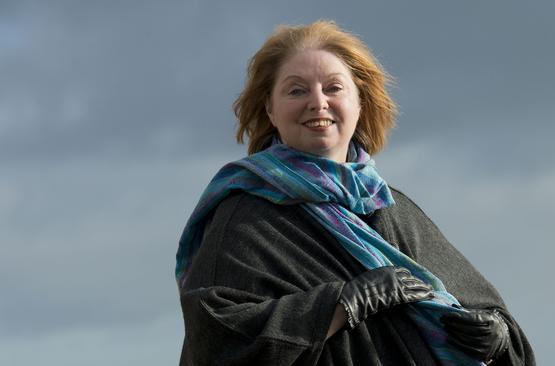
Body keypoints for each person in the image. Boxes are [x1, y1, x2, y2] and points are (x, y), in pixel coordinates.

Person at [176, 20, 535, 366]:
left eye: (333, 88)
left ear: (360, 103)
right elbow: (215, 341)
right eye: (296, 90)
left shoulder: (395, 209)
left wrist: (497, 337)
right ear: (270, 108)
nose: (318, 102)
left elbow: (494, 319)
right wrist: (341, 304)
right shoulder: (244, 215)